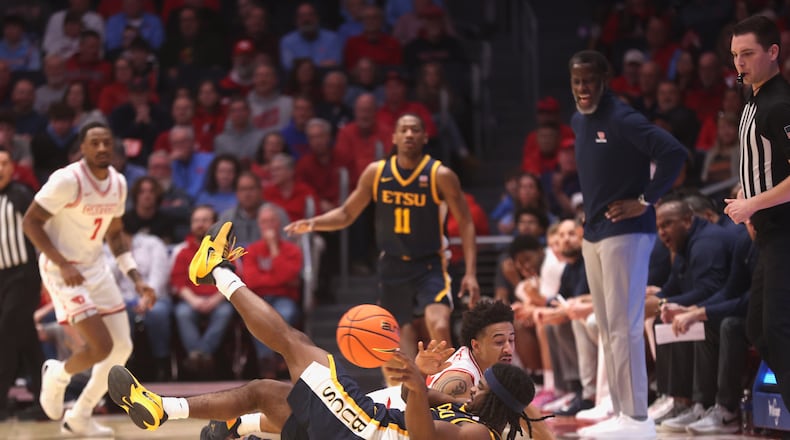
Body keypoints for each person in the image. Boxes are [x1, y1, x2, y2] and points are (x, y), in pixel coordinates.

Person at [108, 220, 539, 440]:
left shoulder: (480, 433)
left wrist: (410, 379)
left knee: (295, 343)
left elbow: (420, 437)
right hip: (360, 427)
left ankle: (216, 270)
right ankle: (163, 409)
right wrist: (418, 378)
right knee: (263, 391)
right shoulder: (466, 409)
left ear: (498, 398)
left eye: (488, 387)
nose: (478, 388)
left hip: (364, 430)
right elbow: (417, 401)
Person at [284, 113, 479, 359]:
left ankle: (453, 380)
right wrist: (313, 223)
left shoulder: (439, 175)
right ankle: (411, 393)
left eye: (415, 129)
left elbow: (466, 222)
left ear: (425, 136)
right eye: (404, 130)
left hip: (430, 264)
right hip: (392, 265)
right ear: (394, 137)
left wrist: (471, 273)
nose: (409, 134)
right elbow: (346, 214)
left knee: (438, 324)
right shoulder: (376, 173)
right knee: (402, 336)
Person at [568, 49, 687, 438]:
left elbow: (673, 152)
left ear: (604, 80)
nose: (582, 88)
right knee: (606, 326)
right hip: (594, 234)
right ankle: (621, 411)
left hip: (628, 234)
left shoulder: (622, 117)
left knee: (626, 326)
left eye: (588, 80)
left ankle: (637, 417)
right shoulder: (578, 120)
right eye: (576, 81)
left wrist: (645, 200)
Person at [22, 122, 156, 436]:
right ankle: (57, 373)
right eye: (94, 143)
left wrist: (135, 278)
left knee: (121, 348)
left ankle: (80, 415)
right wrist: (62, 263)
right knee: (101, 346)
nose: (101, 149)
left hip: (96, 269)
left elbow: (115, 235)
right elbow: (31, 222)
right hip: (62, 272)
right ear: (82, 148)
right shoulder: (67, 180)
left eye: (107, 143)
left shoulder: (119, 184)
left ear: (114, 148)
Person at [724, 15, 790, 411]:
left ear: (773, 52)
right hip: (767, 233)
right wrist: (747, 192)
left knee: (776, 329)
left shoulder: (780, 104)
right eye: (734, 55)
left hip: (785, 231)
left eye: (747, 54)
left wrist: (753, 203)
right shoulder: (754, 97)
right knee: (759, 329)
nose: (739, 63)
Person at [0, 147, 45, 420]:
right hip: (1, 279)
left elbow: (41, 229)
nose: (0, 168)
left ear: (12, 167)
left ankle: (1, 401)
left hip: (23, 275)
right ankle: (46, 402)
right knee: (28, 343)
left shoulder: (20, 195)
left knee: (5, 335)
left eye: (4, 163)